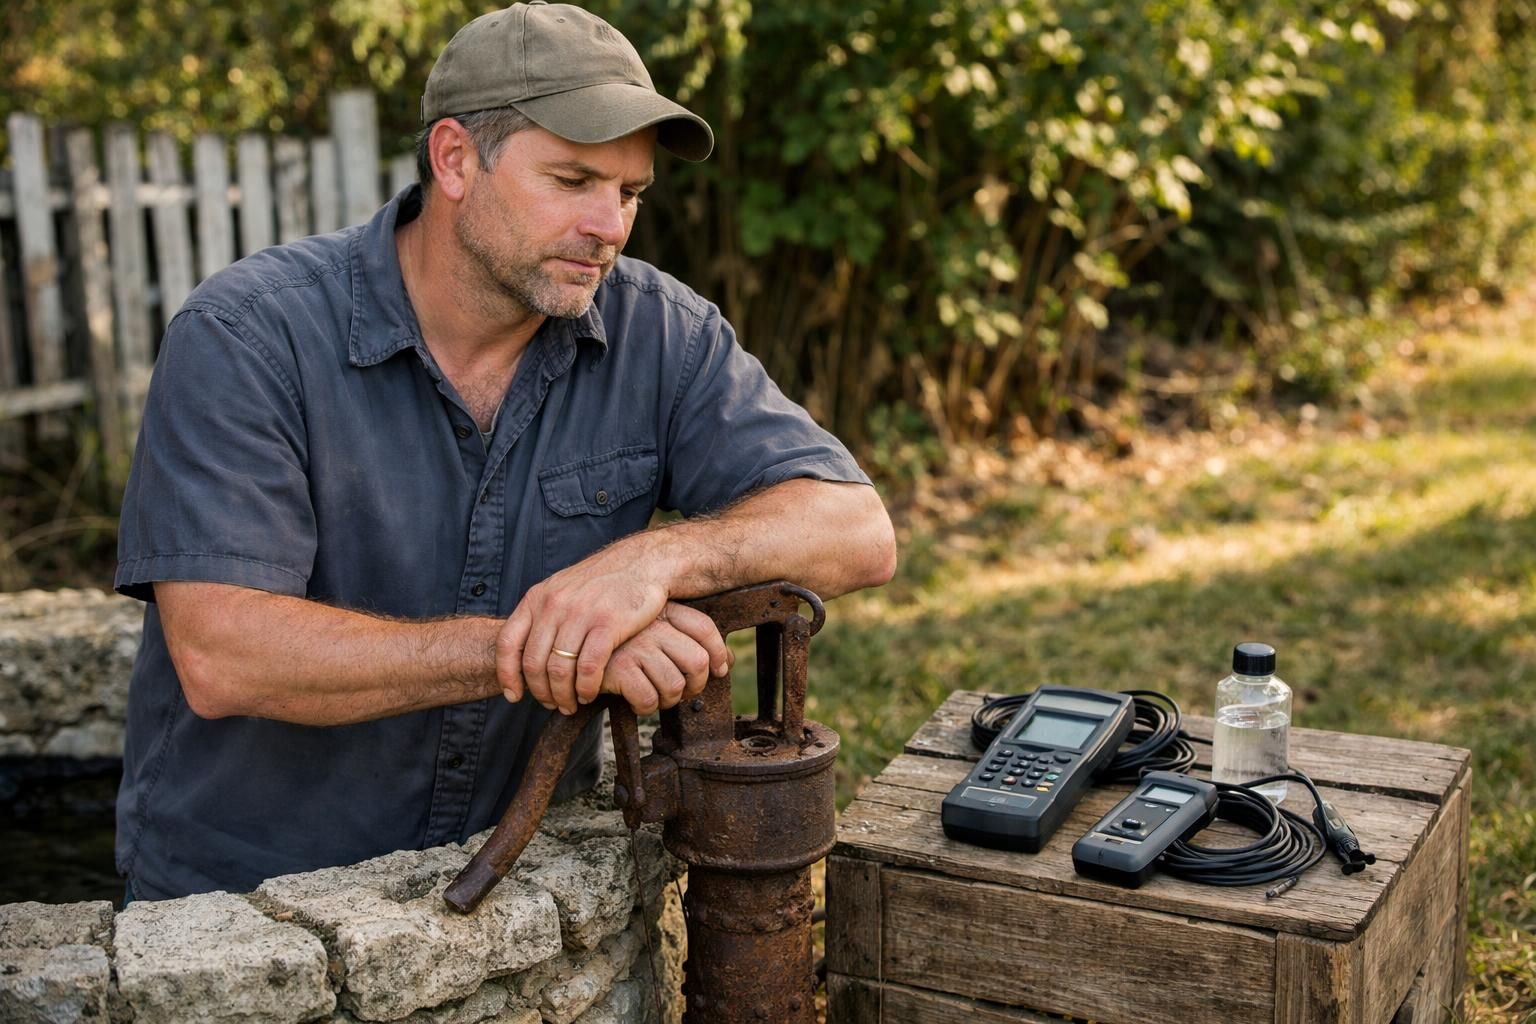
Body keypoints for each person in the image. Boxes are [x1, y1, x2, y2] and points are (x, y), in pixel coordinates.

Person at [112, 1, 895, 902]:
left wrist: (652, 562)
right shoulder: (248, 336)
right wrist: (550, 647)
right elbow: (223, 653)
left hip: (517, 892)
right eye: (572, 180)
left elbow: (857, 527)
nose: (610, 226)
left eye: (630, 193)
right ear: (454, 159)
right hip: (242, 908)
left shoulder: (659, 331)